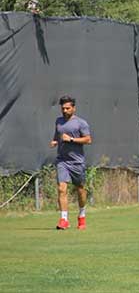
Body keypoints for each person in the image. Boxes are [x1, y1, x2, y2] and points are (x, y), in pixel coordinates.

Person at [50, 95, 92, 230]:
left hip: (77, 162)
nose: (65, 110)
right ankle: (64, 219)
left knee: (80, 190)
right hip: (62, 161)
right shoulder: (59, 121)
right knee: (61, 189)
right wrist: (55, 141)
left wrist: (72, 140)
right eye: (63, 108)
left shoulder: (81, 123)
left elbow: (88, 140)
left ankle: (81, 215)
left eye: (68, 108)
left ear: (74, 108)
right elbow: (58, 135)